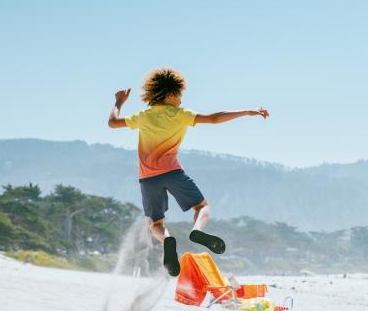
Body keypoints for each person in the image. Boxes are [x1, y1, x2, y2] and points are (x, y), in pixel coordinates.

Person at [108, 68, 269, 276]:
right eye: (180, 96)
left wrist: (119, 101)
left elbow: (112, 123)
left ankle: (167, 240)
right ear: (170, 94)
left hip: (148, 179)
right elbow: (214, 118)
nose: (181, 101)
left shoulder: (143, 117)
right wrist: (247, 111)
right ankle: (197, 232)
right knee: (202, 207)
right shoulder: (180, 115)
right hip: (173, 173)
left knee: (156, 224)